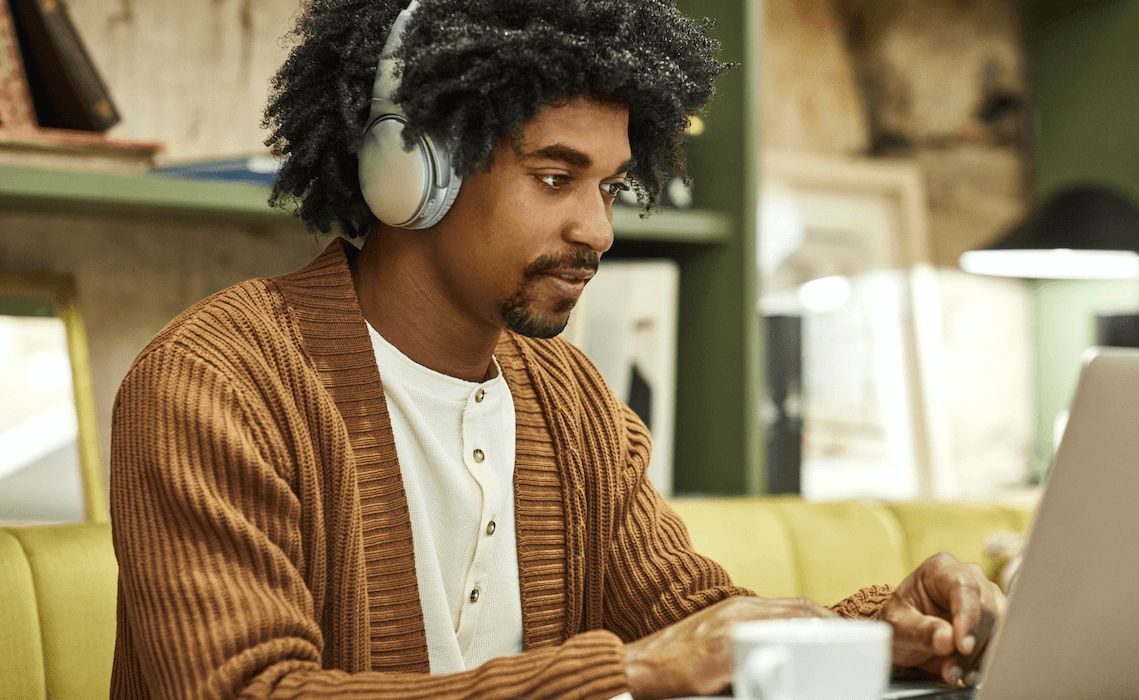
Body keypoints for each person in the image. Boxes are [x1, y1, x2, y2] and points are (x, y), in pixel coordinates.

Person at [107, 1, 1005, 698]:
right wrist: (631, 672)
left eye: (609, 186)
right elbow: (250, 691)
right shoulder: (217, 382)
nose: (598, 230)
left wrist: (883, 635)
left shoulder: (566, 397)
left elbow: (699, 625)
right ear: (412, 171)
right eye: (553, 177)